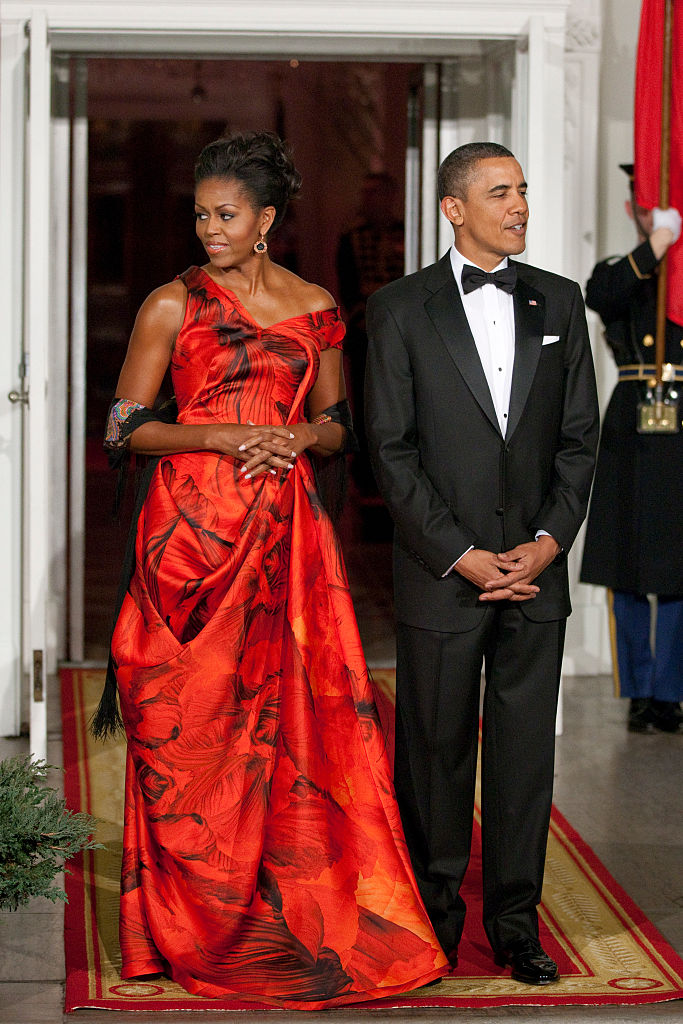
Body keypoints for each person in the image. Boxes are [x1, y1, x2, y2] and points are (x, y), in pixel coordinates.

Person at [96, 131, 448, 1009]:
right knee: (188, 734)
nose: (208, 228)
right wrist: (214, 431)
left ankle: (285, 913)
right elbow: (123, 427)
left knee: (288, 733)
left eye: (224, 215)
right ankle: (187, 926)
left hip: (286, 538)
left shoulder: (319, 307)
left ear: (266, 220)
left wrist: (296, 436)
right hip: (187, 539)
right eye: (200, 214)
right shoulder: (170, 305)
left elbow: (340, 429)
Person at [365, 142, 599, 986]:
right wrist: (463, 556)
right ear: (453, 209)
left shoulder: (562, 303)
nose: (521, 206)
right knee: (432, 755)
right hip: (441, 576)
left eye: (524, 191)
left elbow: (579, 444)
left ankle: (513, 927)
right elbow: (389, 454)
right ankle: (432, 924)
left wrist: (546, 541)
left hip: (535, 574)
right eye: (500, 193)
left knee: (522, 759)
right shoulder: (397, 309)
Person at [580, 164, 683, 735]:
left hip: (681, 420)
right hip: (632, 420)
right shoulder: (619, 270)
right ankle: (639, 692)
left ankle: (669, 692)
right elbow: (604, 294)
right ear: (634, 211)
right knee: (626, 562)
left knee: (676, 572)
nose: (653, 214)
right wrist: (657, 245)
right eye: (646, 207)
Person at [337, 172, 405, 499]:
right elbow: (348, 286)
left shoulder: (405, 234)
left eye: (378, 195)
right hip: (365, 331)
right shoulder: (352, 237)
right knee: (365, 401)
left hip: (400, 331)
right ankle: (366, 472)